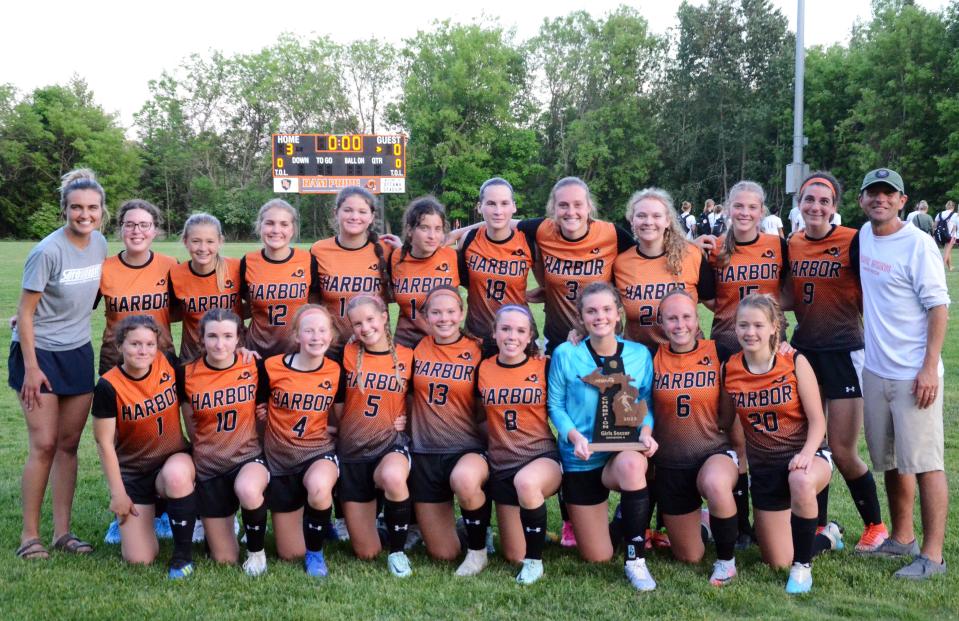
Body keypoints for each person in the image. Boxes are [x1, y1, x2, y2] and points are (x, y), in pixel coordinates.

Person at [856, 168, 949, 579]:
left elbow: (939, 308)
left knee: (926, 463)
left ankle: (933, 556)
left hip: (915, 374)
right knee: (892, 461)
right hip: (876, 371)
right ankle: (902, 538)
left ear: (902, 201)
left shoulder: (919, 244)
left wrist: (929, 367)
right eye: (872, 193)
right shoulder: (862, 236)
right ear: (862, 201)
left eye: (887, 194)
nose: (879, 199)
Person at [788, 171, 888, 551]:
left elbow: (877, 286)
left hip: (846, 350)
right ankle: (818, 525)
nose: (816, 206)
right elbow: (784, 292)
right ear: (799, 204)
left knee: (843, 450)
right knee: (812, 445)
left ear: (835, 207)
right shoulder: (791, 243)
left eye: (824, 201)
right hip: (805, 352)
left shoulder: (853, 240)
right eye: (809, 199)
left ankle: (876, 526)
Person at [11, 169, 108, 560]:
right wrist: (32, 368)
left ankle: (62, 533)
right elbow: (25, 311)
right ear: (64, 209)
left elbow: (92, 294)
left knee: (69, 445)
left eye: (92, 208)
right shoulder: (47, 251)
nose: (84, 214)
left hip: (77, 352)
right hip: (39, 354)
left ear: (102, 211)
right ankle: (29, 536)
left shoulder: (100, 244)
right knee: (45, 444)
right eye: (76, 208)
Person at [548, 282, 659, 591]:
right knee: (597, 555)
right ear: (581, 317)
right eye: (592, 311)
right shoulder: (566, 354)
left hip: (618, 453)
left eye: (607, 309)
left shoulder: (639, 354)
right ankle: (623, 523)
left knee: (633, 466)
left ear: (618, 313)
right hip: (581, 457)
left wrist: (647, 432)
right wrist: (573, 437)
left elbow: (645, 403)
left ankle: (636, 559)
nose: (600, 316)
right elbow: (555, 405)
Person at [721, 294, 831, 594]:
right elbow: (724, 419)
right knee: (777, 560)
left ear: (774, 328)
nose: (750, 332)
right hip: (765, 468)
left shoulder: (793, 360)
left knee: (800, 479)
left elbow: (818, 421)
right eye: (743, 325)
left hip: (808, 455)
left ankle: (803, 568)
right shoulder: (730, 368)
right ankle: (828, 536)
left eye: (758, 325)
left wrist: (807, 454)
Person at [91, 315, 196, 578]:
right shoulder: (108, 385)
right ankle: (155, 514)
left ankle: (182, 557)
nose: (143, 350)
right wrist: (118, 494)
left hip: (171, 459)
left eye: (150, 344)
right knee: (140, 559)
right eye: (135, 344)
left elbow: (202, 379)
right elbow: (104, 443)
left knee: (176, 476)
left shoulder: (168, 364)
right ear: (120, 347)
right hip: (135, 473)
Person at [652, 289, 740, 586]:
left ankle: (726, 562)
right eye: (672, 319)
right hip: (671, 463)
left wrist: (784, 349)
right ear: (661, 323)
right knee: (689, 556)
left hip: (712, 451)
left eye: (686, 317)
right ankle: (704, 524)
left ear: (697, 318)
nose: (680, 325)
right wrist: (575, 335)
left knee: (715, 483)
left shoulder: (718, 352)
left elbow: (761, 355)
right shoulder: (650, 358)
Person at [177, 309, 270, 576]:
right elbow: (191, 425)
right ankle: (224, 523)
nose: (220, 344)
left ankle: (256, 552)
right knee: (224, 559)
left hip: (247, 458)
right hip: (209, 467)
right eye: (213, 336)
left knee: (249, 489)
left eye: (228, 336)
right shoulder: (186, 374)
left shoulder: (254, 365)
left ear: (239, 338)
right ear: (201, 338)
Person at [409, 286, 490, 575]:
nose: (444, 318)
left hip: (466, 448)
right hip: (425, 452)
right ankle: (464, 524)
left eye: (451, 311)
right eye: (436, 312)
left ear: (461, 313)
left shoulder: (479, 349)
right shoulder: (415, 349)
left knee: (465, 480)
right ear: (426, 317)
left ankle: (479, 550)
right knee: (443, 554)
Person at [478, 305, 560, 585]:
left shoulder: (544, 365)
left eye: (520, 331)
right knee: (513, 553)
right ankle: (535, 530)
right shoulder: (483, 368)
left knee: (527, 483)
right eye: (505, 329)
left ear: (530, 338)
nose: (512, 336)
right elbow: (476, 415)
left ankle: (535, 564)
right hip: (502, 465)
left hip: (541, 458)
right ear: (494, 333)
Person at [335, 295, 414, 577]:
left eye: (370, 319)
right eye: (357, 323)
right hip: (353, 453)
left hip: (389, 446)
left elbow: (420, 399)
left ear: (384, 316)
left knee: (393, 477)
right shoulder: (343, 354)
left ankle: (398, 552)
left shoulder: (408, 355)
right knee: (366, 552)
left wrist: (408, 419)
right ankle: (385, 521)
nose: (365, 327)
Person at [260, 304, 341, 578]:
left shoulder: (335, 370)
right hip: (280, 460)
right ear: (296, 336)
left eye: (322, 331)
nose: (316, 337)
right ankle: (314, 517)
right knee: (289, 552)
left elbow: (343, 414)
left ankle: (316, 553)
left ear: (331, 336)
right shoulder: (271, 367)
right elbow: (257, 408)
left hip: (317, 453)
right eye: (309, 331)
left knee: (319, 487)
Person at [613, 188, 714, 349]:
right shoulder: (621, 263)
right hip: (641, 361)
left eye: (656, 216)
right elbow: (604, 311)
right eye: (641, 215)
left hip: (686, 360)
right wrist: (579, 329)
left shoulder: (691, 255)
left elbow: (716, 304)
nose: (648, 221)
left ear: (668, 221)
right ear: (632, 220)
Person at [96, 199, 178, 375]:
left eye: (144, 225)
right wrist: (32, 311)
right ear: (121, 229)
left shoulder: (170, 266)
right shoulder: (104, 268)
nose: (136, 231)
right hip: (116, 360)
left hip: (161, 359)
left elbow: (185, 310)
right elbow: (75, 308)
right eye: (130, 224)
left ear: (154, 230)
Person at [310, 186, 392, 359]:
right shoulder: (319, 250)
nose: (355, 217)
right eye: (348, 210)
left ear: (372, 217)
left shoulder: (387, 250)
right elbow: (313, 301)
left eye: (362, 211)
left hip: (374, 349)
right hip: (329, 349)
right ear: (336, 212)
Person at [458, 178, 536, 354]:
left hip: (517, 336)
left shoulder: (528, 242)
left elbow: (547, 285)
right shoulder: (469, 239)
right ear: (480, 207)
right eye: (491, 204)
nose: (498, 211)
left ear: (514, 207)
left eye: (504, 203)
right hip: (477, 336)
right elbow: (462, 281)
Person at [240, 199, 318, 357]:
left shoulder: (308, 260)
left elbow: (315, 305)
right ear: (260, 226)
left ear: (293, 229)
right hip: (256, 352)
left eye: (284, 224)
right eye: (269, 223)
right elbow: (243, 306)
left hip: (297, 352)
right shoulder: (248, 262)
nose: (276, 230)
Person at [169, 213, 243, 362]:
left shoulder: (236, 268)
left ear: (220, 241)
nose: (203, 248)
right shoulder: (176, 273)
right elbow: (172, 314)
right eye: (196, 241)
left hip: (232, 356)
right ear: (185, 241)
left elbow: (253, 307)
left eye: (210, 241)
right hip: (192, 359)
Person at [389, 197, 460, 348]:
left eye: (438, 229)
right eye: (424, 228)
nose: (432, 236)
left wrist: (457, 233)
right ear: (409, 230)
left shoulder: (451, 255)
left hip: (443, 343)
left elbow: (491, 224)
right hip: (405, 344)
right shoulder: (396, 256)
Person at [934, 200, 958, 270]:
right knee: (947, 251)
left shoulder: (940, 214)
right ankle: (941, 266)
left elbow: (935, 225)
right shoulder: (955, 214)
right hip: (950, 235)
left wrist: (934, 234)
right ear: (953, 207)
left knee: (948, 250)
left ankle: (950, 266)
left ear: (946, 206)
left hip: (940, 234)